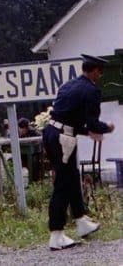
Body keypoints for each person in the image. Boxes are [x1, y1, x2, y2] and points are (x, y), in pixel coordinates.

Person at [42, 54, 115, 251]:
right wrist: (106, 128)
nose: (99, 75)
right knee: (63, 184)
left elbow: (68, 118)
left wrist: (87, 131)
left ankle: (81, 221)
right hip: (63, 139)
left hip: (51, 133)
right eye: (99, 72)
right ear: (94, 71)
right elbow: (91, 122)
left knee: (73, 177)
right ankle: (56, 235)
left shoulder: (69, 85)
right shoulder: (91, 91)